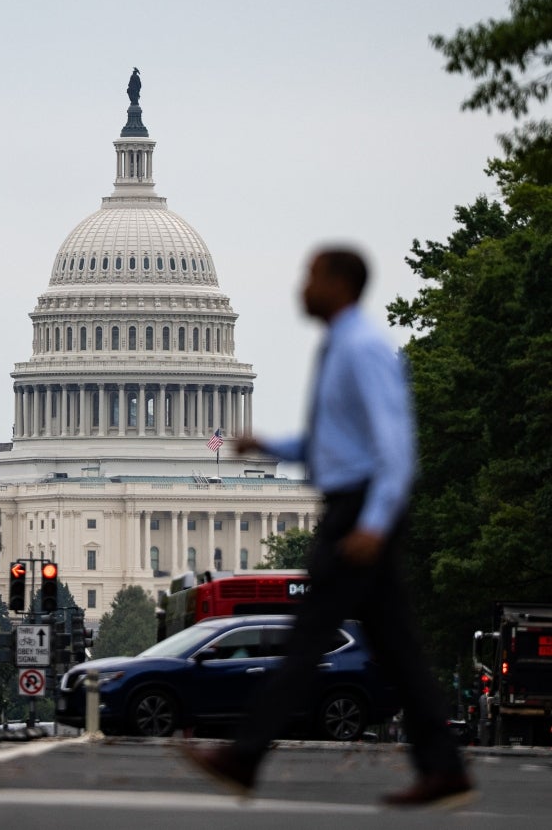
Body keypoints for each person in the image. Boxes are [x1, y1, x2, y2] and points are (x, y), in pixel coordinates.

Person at [183, 247, 475, 809]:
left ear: (340, 284)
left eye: (312, 276)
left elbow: (395, 447)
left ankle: (245, 755)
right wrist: (269, 445)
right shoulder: (340, 346)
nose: (302, 287)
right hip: (352, 504)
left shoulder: (362, 348)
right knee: (394, 646)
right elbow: (332, 443)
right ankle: (444, 768)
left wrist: (374, 522)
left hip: (360, 509)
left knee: (312, 636)